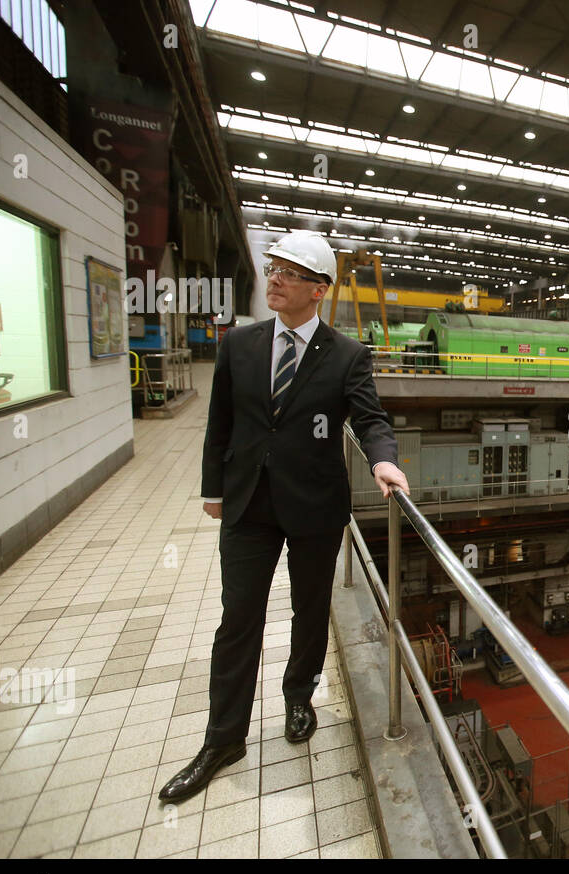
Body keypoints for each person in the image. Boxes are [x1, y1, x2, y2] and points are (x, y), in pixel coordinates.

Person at [159, 231, 410, 803]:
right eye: (273, 268)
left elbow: (370, 419)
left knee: (309, 608)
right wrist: (213, 489)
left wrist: (385, 462)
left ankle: (299, 698)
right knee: (237, 619)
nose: (274, 278)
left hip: (314, 506)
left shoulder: (347, 355)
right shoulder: (239, 345)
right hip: (249, 503)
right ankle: (223, 739)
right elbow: (220, 422)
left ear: (319, 290)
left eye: (290, 273)